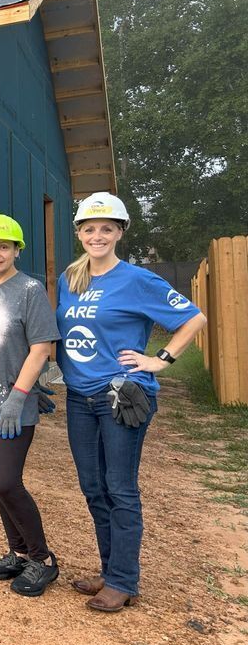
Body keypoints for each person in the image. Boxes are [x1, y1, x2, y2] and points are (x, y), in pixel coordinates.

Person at [57, 193, 206, 612]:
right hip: (79, 397)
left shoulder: (137, 279)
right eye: (89, 228)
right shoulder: (71, 279)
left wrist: (159, 360)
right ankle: (110, 571)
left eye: (107, 228)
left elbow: (194, 317)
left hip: (120, 396)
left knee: (120, 487)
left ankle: (124, 580)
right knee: (93, 486)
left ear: (120, 232)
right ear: (80, 233)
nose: (97, 235)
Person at [0, 215, 61, 596]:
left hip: (10, 406)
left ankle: (42, 559)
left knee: (7, 481)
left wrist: (20, 395)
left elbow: (41, 347)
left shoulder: (30, 290)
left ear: (17, 249)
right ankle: (17, 553)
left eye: (4, 246)